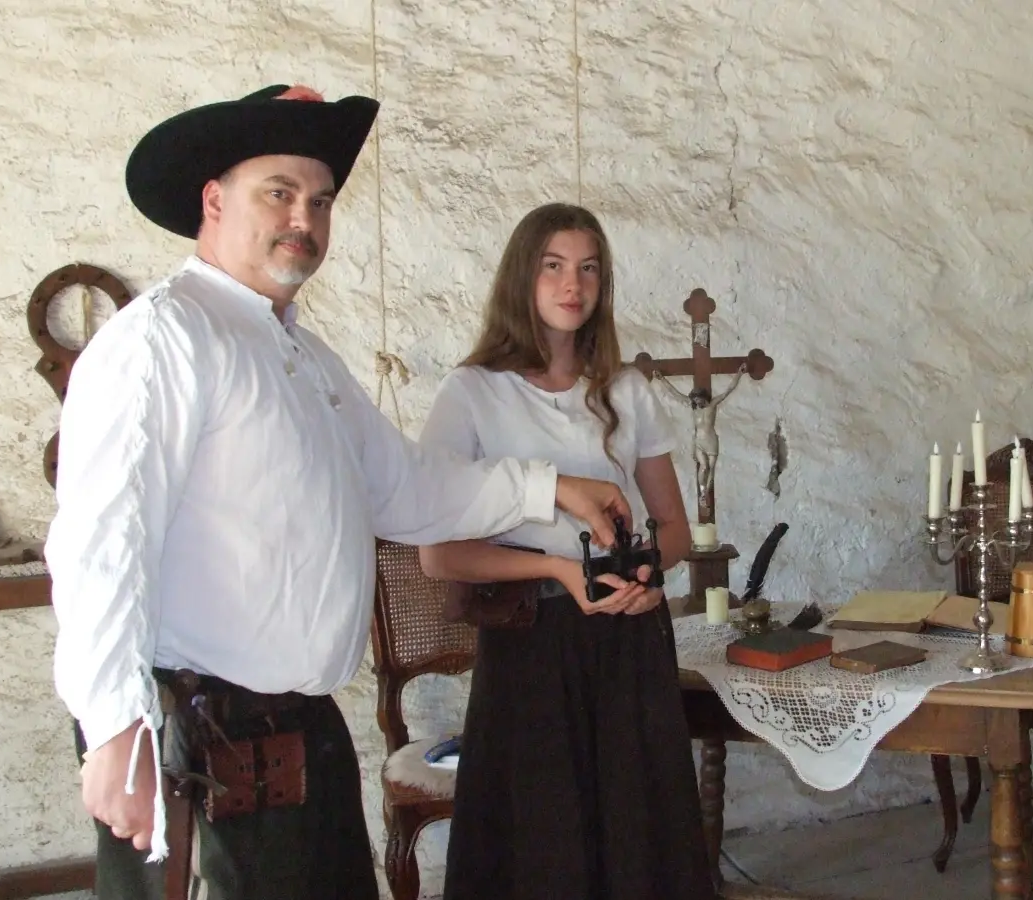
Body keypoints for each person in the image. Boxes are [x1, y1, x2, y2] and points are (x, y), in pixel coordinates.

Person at [46, 85, 633, 900]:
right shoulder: (163, 338)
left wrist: (552, 487)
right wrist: (112, 732)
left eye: (319, 201)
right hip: (199, 744)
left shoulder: (305, 357)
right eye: (278, 194)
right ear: (214, 201)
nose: (304, 221)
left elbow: (408, 489)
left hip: (298, 731)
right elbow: (103, 542)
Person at [417, 202, 715, 900]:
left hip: (625, 636)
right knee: (542, 842)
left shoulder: (627, 390)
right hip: (529, 638)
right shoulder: (470, 394)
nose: (571, 284)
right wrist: (552, 567)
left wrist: (648, 575)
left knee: (638, 835)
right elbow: (440, 555)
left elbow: (673, 528)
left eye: (587, 268)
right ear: (523, 276)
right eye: (553, 266)